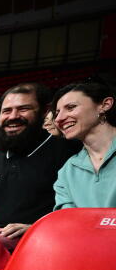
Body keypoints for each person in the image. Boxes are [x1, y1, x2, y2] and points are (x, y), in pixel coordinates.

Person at [0, 83, 80, 250]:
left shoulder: (69, 151)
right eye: (6, 111)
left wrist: (35, 229)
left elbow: (81, 212)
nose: (13, 116)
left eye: (23, 109)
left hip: (50, 251)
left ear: (43, 112)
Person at [52, 79, 116, 209]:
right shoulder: (67, 171)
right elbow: (68, 223)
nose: (58, 119)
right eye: (57, 113)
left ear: (105, 105)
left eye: (71, 107)